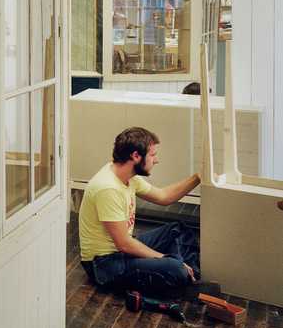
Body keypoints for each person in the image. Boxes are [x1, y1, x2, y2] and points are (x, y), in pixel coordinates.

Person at [78, 126, 201, 295]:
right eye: (152, 155)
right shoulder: (108, 188)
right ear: (135, 156)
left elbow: (164, 197)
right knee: (175, 269)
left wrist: (198, 177)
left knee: (178, 230)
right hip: (104, 265)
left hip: (122, 250)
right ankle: (182, 273)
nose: (156, 160)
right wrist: (164, 258)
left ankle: (189, 276)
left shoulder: (128, 176)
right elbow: (124, 244)